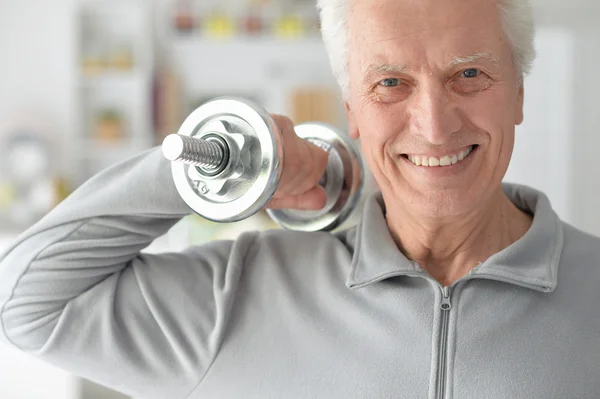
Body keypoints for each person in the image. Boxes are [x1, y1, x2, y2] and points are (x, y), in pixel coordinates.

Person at [1, 0, 599, 397]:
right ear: (353, 113)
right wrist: (224, 162)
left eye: (469, 75)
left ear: (518, 93)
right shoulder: (238, 297)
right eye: (390, 83)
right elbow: (26, 304)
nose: (435, 126)